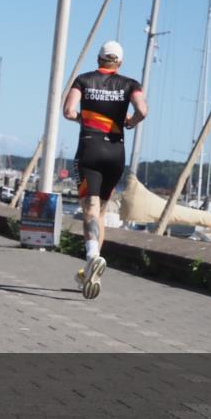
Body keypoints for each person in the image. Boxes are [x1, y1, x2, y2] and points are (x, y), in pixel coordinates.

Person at [62, 40, 148, 300]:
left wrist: (84, 118)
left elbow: (68, 111)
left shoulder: (84, 80)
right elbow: (142, 110)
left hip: (89, 149)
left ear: (99, 59)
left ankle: (92, 256)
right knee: (100, 211)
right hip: (115, 153)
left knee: (89, 207)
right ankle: (90, 270)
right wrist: (130, 122)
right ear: (119, 62)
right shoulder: (130, 84)